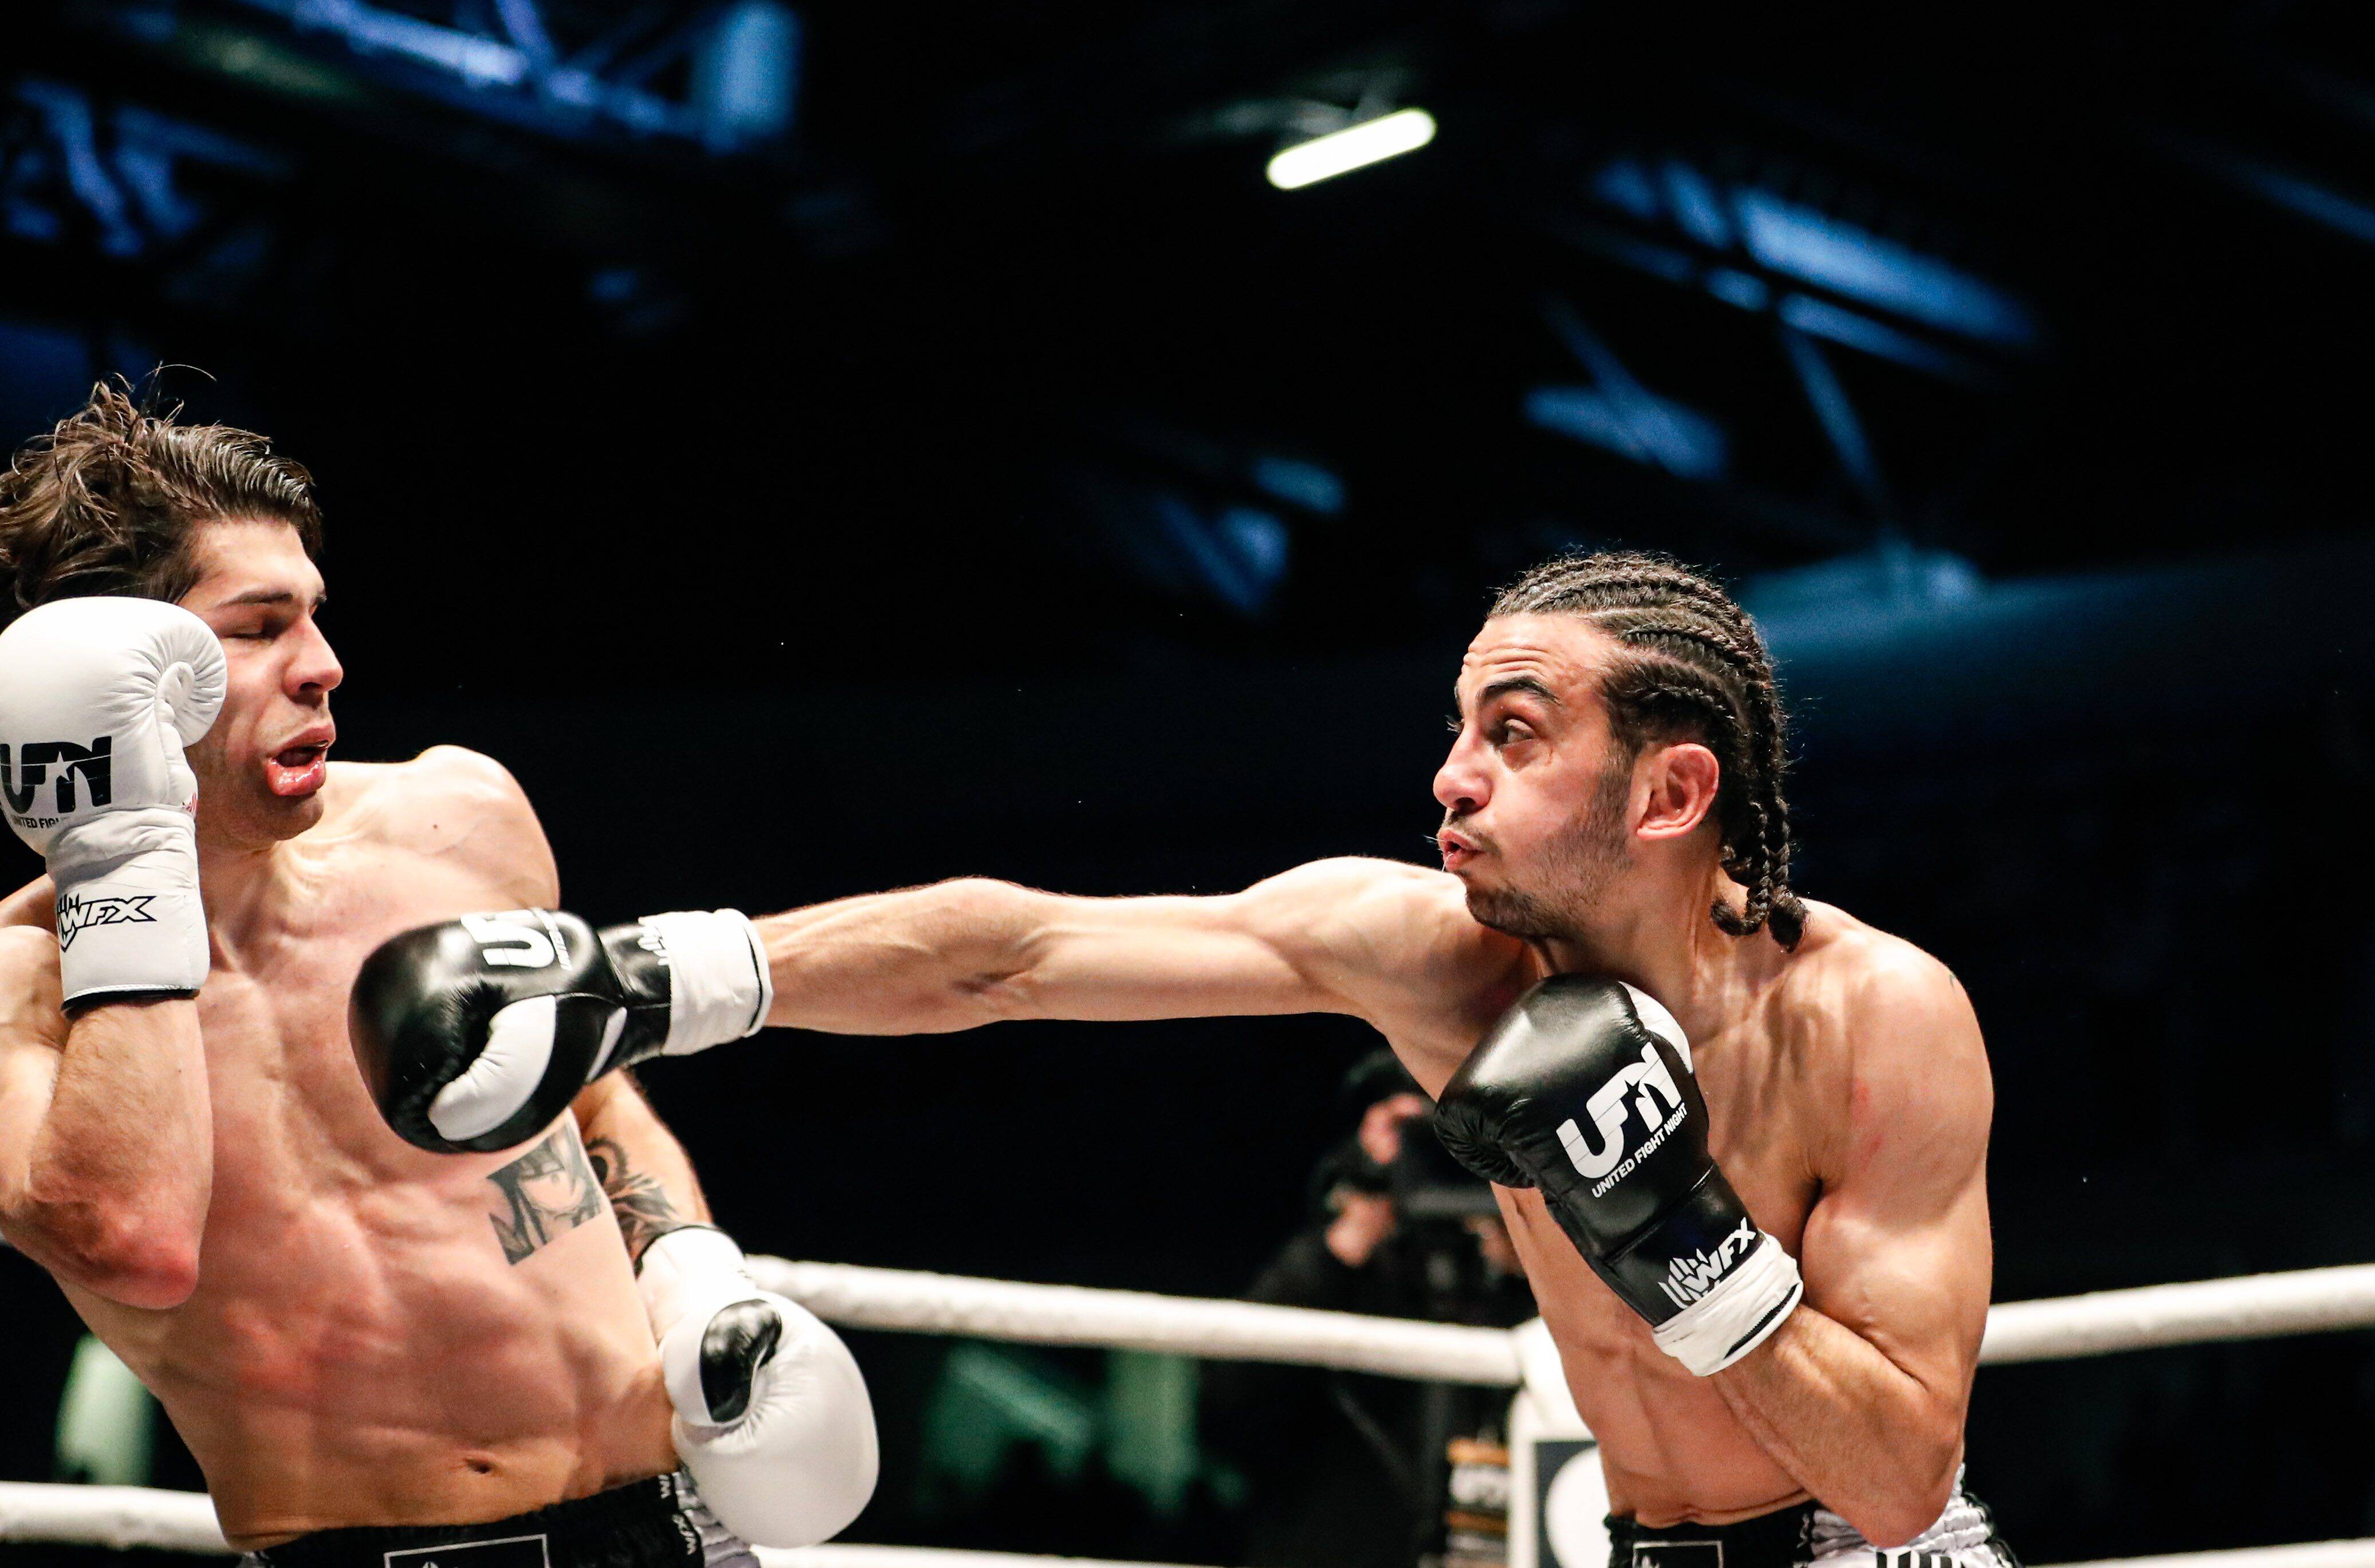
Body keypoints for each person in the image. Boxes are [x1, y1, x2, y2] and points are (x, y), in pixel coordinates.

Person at [359, 549, 2011, 1568]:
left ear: (1667, 796)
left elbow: (1893, 1472)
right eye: (1456, 727)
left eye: (1511, 735)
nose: (1448, 779)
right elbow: (1016, 954)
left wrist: (1679, 1230)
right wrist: (658, 977)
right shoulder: (1435, 962)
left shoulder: (1876, 1019)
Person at [0, 382, 876, 1563]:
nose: (324, 666)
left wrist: (693, 1271)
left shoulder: (453, 820)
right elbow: (132, 1238)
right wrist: (122, 853)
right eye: (258, 627)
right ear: (124, 678)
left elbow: (584, 1085)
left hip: (673, 1529)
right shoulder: (20, 992)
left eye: (315, 615)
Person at [1200, 1050, 1532, 1568]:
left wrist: (1532, 1255)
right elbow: (1229, 1410)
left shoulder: (1512, 1278)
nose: (1444, 1158)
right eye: (1426, 1139)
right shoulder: (1335, 1278)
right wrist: (1350, 1234)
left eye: (1463, 1145)